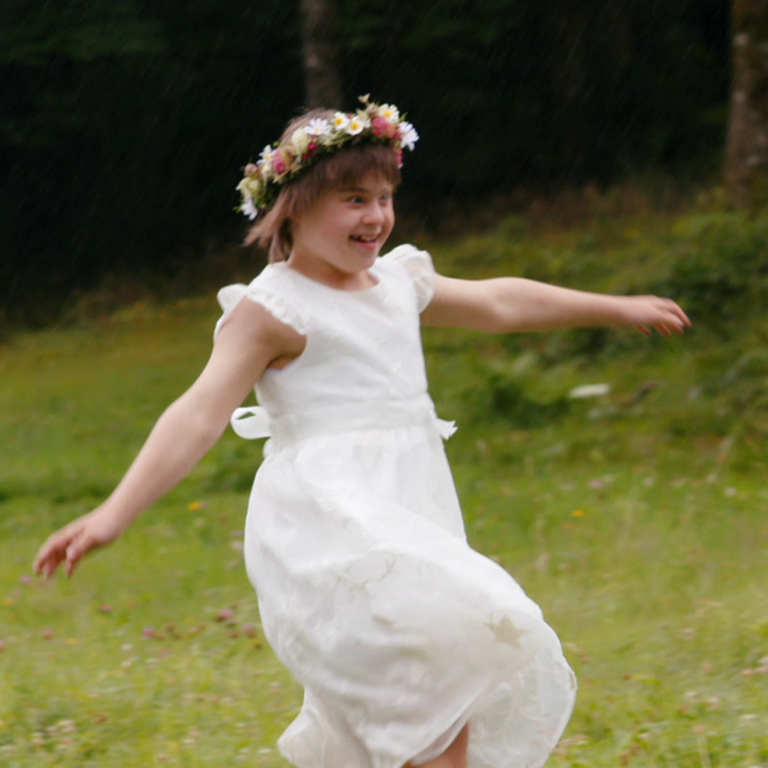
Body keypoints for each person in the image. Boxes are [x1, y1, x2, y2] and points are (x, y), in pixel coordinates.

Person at [34, 96, 690, 768]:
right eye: (353, 198)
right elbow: (198, 414)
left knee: (440, 685)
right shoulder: (272, 310)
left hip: (410, 508)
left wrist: (614, 307)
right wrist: (115, 514)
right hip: (328, 524)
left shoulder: (398, 282)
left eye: (383, 196)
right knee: (430, 694)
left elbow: (500, 301)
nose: (375, 215)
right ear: (291, 205)